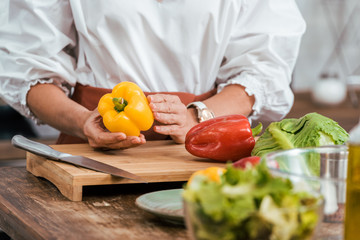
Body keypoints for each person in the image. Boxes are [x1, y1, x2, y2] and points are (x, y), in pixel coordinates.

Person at [0, 0, 306, 150]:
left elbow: (265, 66)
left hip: (201, 150)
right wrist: (83, 123)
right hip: (88, 153)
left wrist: (199, 117)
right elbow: (27, 63)